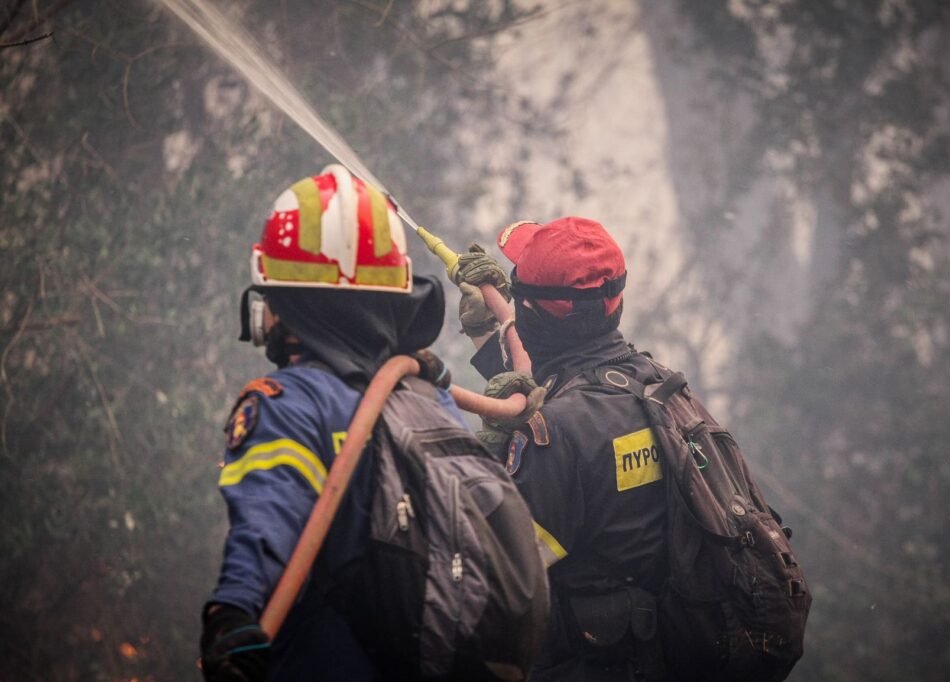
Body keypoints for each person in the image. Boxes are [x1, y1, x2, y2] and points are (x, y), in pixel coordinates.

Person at [199, 165, 464, 681]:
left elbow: (268, 516)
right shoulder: (430, 396)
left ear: (288, 301)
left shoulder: (289, 406)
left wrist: (231, 612)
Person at [456, 217, 672, 681]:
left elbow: (493, 570)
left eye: (518, 297)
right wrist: (486, 330)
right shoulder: (653, 384)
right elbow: (555, 386)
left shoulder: (557, 435)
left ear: (533, 316)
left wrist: (492, 448)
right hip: (655, 654)